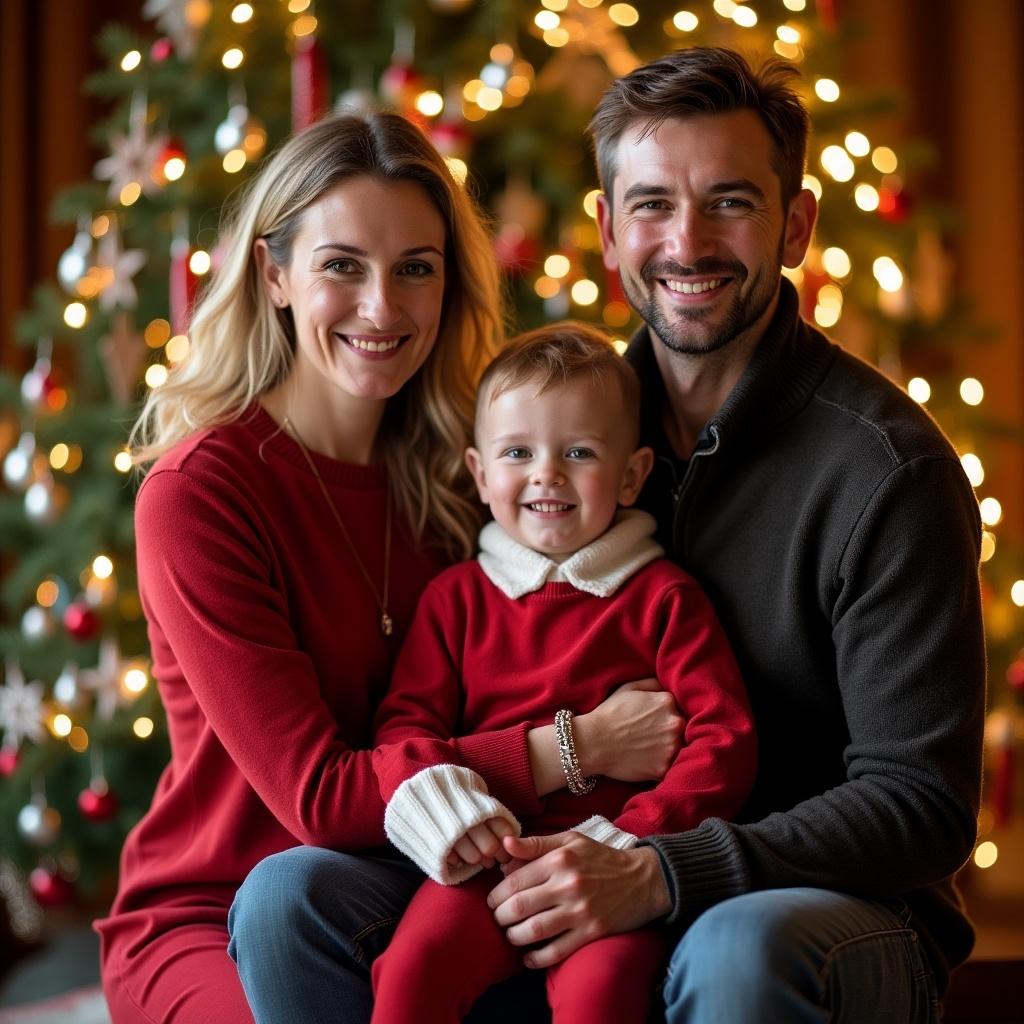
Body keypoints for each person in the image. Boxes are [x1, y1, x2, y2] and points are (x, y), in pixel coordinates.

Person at [94, 112, 684, 1024]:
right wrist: (581, 747)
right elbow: (321, 797)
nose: (383, 307)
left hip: (423, 881)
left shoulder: (472, 477)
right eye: (342, 266)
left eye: (415, 267)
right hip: (214, 907)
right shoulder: (199, 494)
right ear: (275, 276)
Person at [484, 47, 986, 1023]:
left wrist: (662, 871)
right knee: (313, 897)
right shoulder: (550, 444)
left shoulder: (885, 470)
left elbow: (920, 803)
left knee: (734, 943)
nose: (687, 242)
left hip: (832, 914)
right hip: (587, 861)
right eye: (651, 207)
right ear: (605, 231)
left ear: (794, 225)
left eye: (729, 202)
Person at [369, 323, 757, 1024]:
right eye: (518, 452)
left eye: (578, 452)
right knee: (408, 974)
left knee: (600, 995)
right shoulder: (454, 600)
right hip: (486, 858)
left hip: (610, 870)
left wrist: (631, 839)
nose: (546, 473)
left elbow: (724, 741)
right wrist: (453, 812)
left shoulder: (663, 597)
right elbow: (405, 730)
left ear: (633, 475)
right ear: (481, 474)